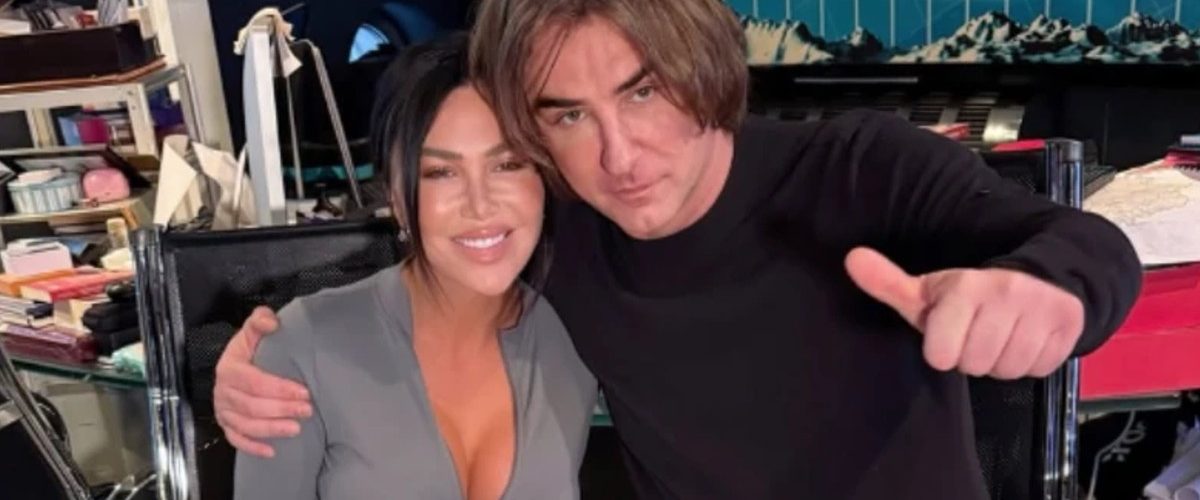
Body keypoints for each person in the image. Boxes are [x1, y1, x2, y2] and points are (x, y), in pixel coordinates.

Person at [216, 0, 1143, 498]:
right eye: (567, 116)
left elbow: (1084, 242)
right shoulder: (562, 225)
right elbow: (410, 268)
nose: (618, 157)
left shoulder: (856, 170)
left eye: (643, 92)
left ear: (701, 64)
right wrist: (237, 351)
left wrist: (1046, 290)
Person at [231, 34, 597, 500]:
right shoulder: (305, 348)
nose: (480, 205)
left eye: (508, 164)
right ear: (396, 196)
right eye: (440, 173)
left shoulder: (582, 328)